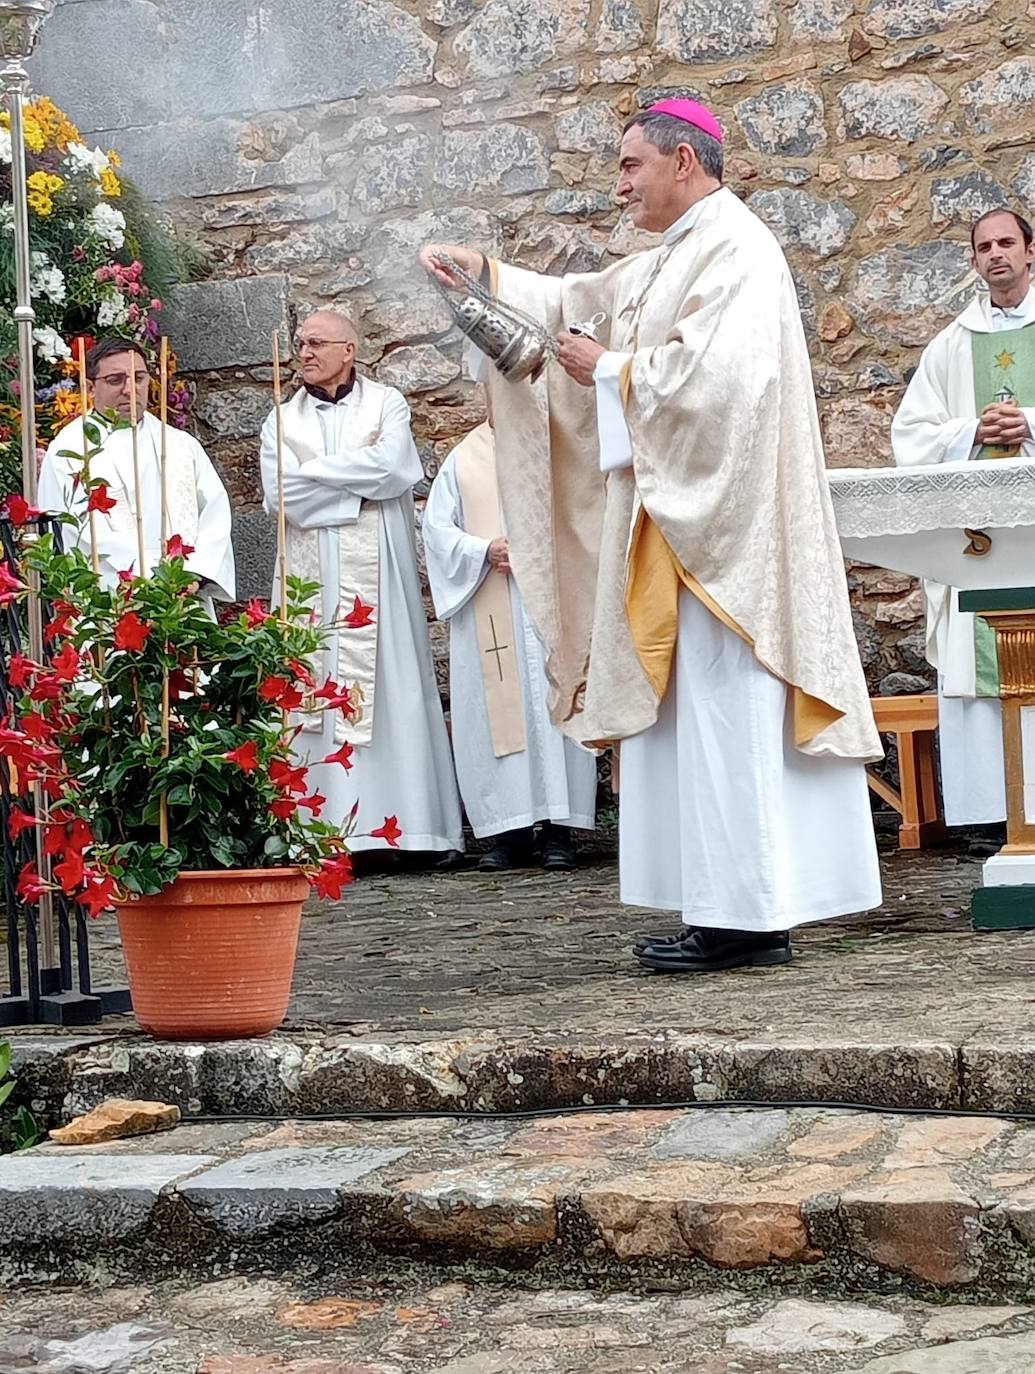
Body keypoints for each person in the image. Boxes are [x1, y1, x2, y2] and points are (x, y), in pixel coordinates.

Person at [420, 97, 882, 972]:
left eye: (632, 164)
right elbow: (578, 298)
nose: (620, 182)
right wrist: (483, 269)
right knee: (691, 722)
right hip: (680, 528)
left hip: (728, 539)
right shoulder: (678, 251)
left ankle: (749, 916)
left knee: (729, 714)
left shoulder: (737, 246)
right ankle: (719, 905)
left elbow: (724, 381)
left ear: (683, 161)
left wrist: (613, 370)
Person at [259, 309, 464, 860]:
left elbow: (395, 468)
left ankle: (410, 828)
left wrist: (317, 472)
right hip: (312, 581)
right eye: (300, 342)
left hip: (379, 576)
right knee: (314, 685)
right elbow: (281, 497)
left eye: (316, 342)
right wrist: (354, 490)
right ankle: (321, 833)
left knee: (391, 682)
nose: (303, 352)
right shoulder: (281, 419)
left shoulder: (386, 404)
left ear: (349, 350)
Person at [891, 207, 1035, 830]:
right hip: (977, 535)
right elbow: (911, 434)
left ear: (1031, 251)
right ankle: (992, 814)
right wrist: (970, 429)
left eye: (1007, 242)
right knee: (975, 657)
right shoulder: (951, 345)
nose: (996, 254)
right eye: (984, 246)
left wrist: (1030, 423)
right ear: (974, 261)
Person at [423, 384, 597, 871]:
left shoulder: (558, 448)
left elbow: (586, 516)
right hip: (490, 604)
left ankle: (560, 830)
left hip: (551, 605)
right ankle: (510, 830)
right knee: (494, 713)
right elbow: (437, 532)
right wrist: (484, 551)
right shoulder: (464, 458)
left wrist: (543, 549)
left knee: (553, 708)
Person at [38, 338, 235, 605]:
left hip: (185, 596)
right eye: (116, 380)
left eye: (139, 378)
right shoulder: (70, 450)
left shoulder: (180, 444)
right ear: (90, 387)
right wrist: (152, 578)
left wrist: (194, 573)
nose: (130, 390)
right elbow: (72, 529)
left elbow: (215, 513)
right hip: (110, 603)